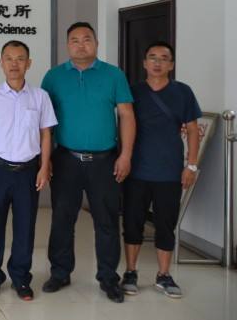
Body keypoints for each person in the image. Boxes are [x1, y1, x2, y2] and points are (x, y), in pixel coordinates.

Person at [40, 21, 135, 303]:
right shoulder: (54, 77)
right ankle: (60, 272)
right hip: (65, 159)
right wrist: (46, 158)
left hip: (105, 161)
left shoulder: (113, 75)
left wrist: (126, 155)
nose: (81, 45)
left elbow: (126, 115)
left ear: (96, 43)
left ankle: (108, 278)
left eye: (86, 39)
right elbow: (44, 122)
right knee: (62, 219)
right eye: (75, 40)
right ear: (67, 45)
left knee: (106, 221)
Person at [0, 40, 56, 301]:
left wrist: (44, 167)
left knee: (25, 226)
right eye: (9, 58)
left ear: (28, 63)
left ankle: (20, 277)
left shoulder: (40, 97)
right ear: (1, 63)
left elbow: (46, 135)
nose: (14, 64)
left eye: (20, 59)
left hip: (29, 172)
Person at [120, 41, 201, 298]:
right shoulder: (132, 92)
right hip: (136, 171)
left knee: (166, 224)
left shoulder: (183, 92)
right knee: (132, 223)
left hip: (169, 171)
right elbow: (122, 125)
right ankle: (130, 272)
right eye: (152, 57)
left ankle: (164, 275)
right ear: (144, 63)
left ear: (171, 65)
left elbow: (192, 130)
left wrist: (191, 165)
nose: (157, 62)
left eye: (164, 58)